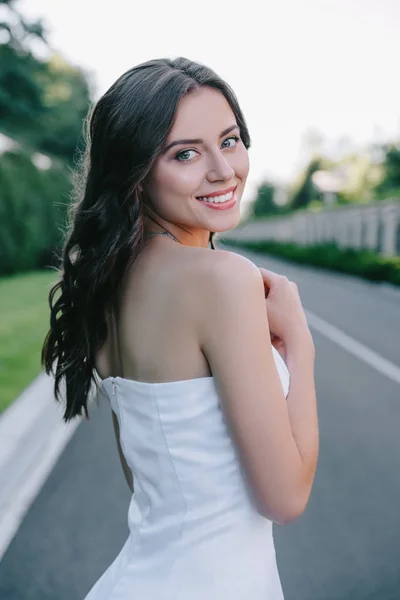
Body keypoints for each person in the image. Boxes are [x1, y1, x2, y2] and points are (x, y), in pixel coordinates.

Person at [41, 56, 318, 600]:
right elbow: (285, 499)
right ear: (138, 173)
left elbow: (151, 478)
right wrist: (299, 345)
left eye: (231, 140)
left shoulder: (109, 281)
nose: (223, 170)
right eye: (185, 154)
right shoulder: (221, 278)